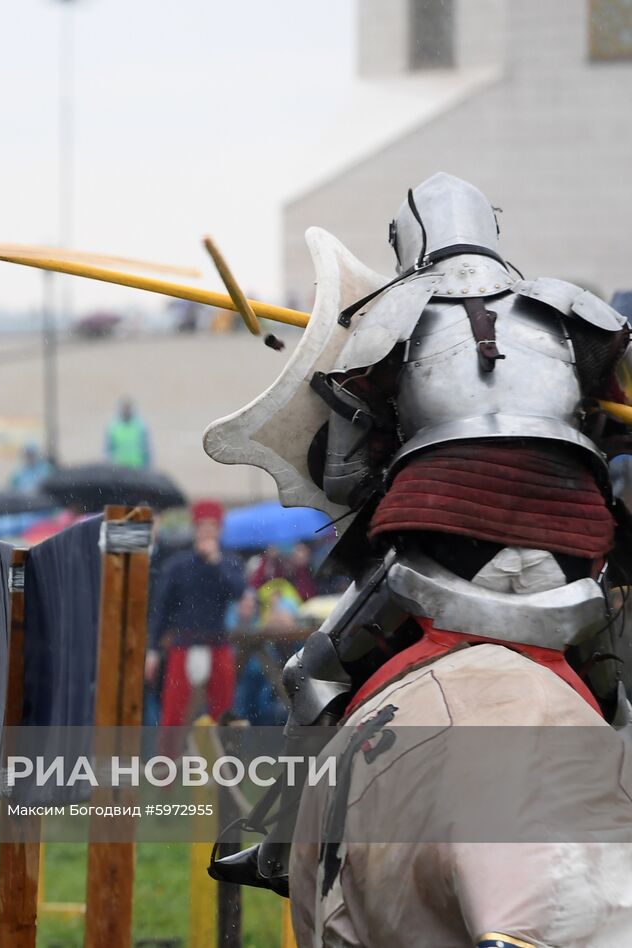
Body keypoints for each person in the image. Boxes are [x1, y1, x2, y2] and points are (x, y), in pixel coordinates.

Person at [207, 173, 632, 918]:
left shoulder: (390, 316)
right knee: (616, 694)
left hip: (444, 549)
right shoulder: (573, 311)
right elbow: (615, 422)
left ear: (409, 238)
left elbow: (344, 472)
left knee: (315, 672)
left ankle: (275, 842)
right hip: (571, 552)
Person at [146, 500, 244, 746]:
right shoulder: (178, 565)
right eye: (203, 527)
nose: (208, 532)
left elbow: (238, 591)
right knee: (173, 712)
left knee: (223, 711)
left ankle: (225, 768)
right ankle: (165, 770)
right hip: (184, 644)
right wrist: (153, 650)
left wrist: (215, 562)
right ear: (195, 529)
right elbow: (161, 610)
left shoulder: (229, 562)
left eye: (213, 527)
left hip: (217, 645)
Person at [105, 397, 151, 469]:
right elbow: (108, 450)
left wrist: (147, 467)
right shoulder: (114, 428)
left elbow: (146, 449)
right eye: (124, 409)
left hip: (137, 468)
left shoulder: (140, 427)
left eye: (128, 409)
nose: (126, 411)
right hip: (118, 469)